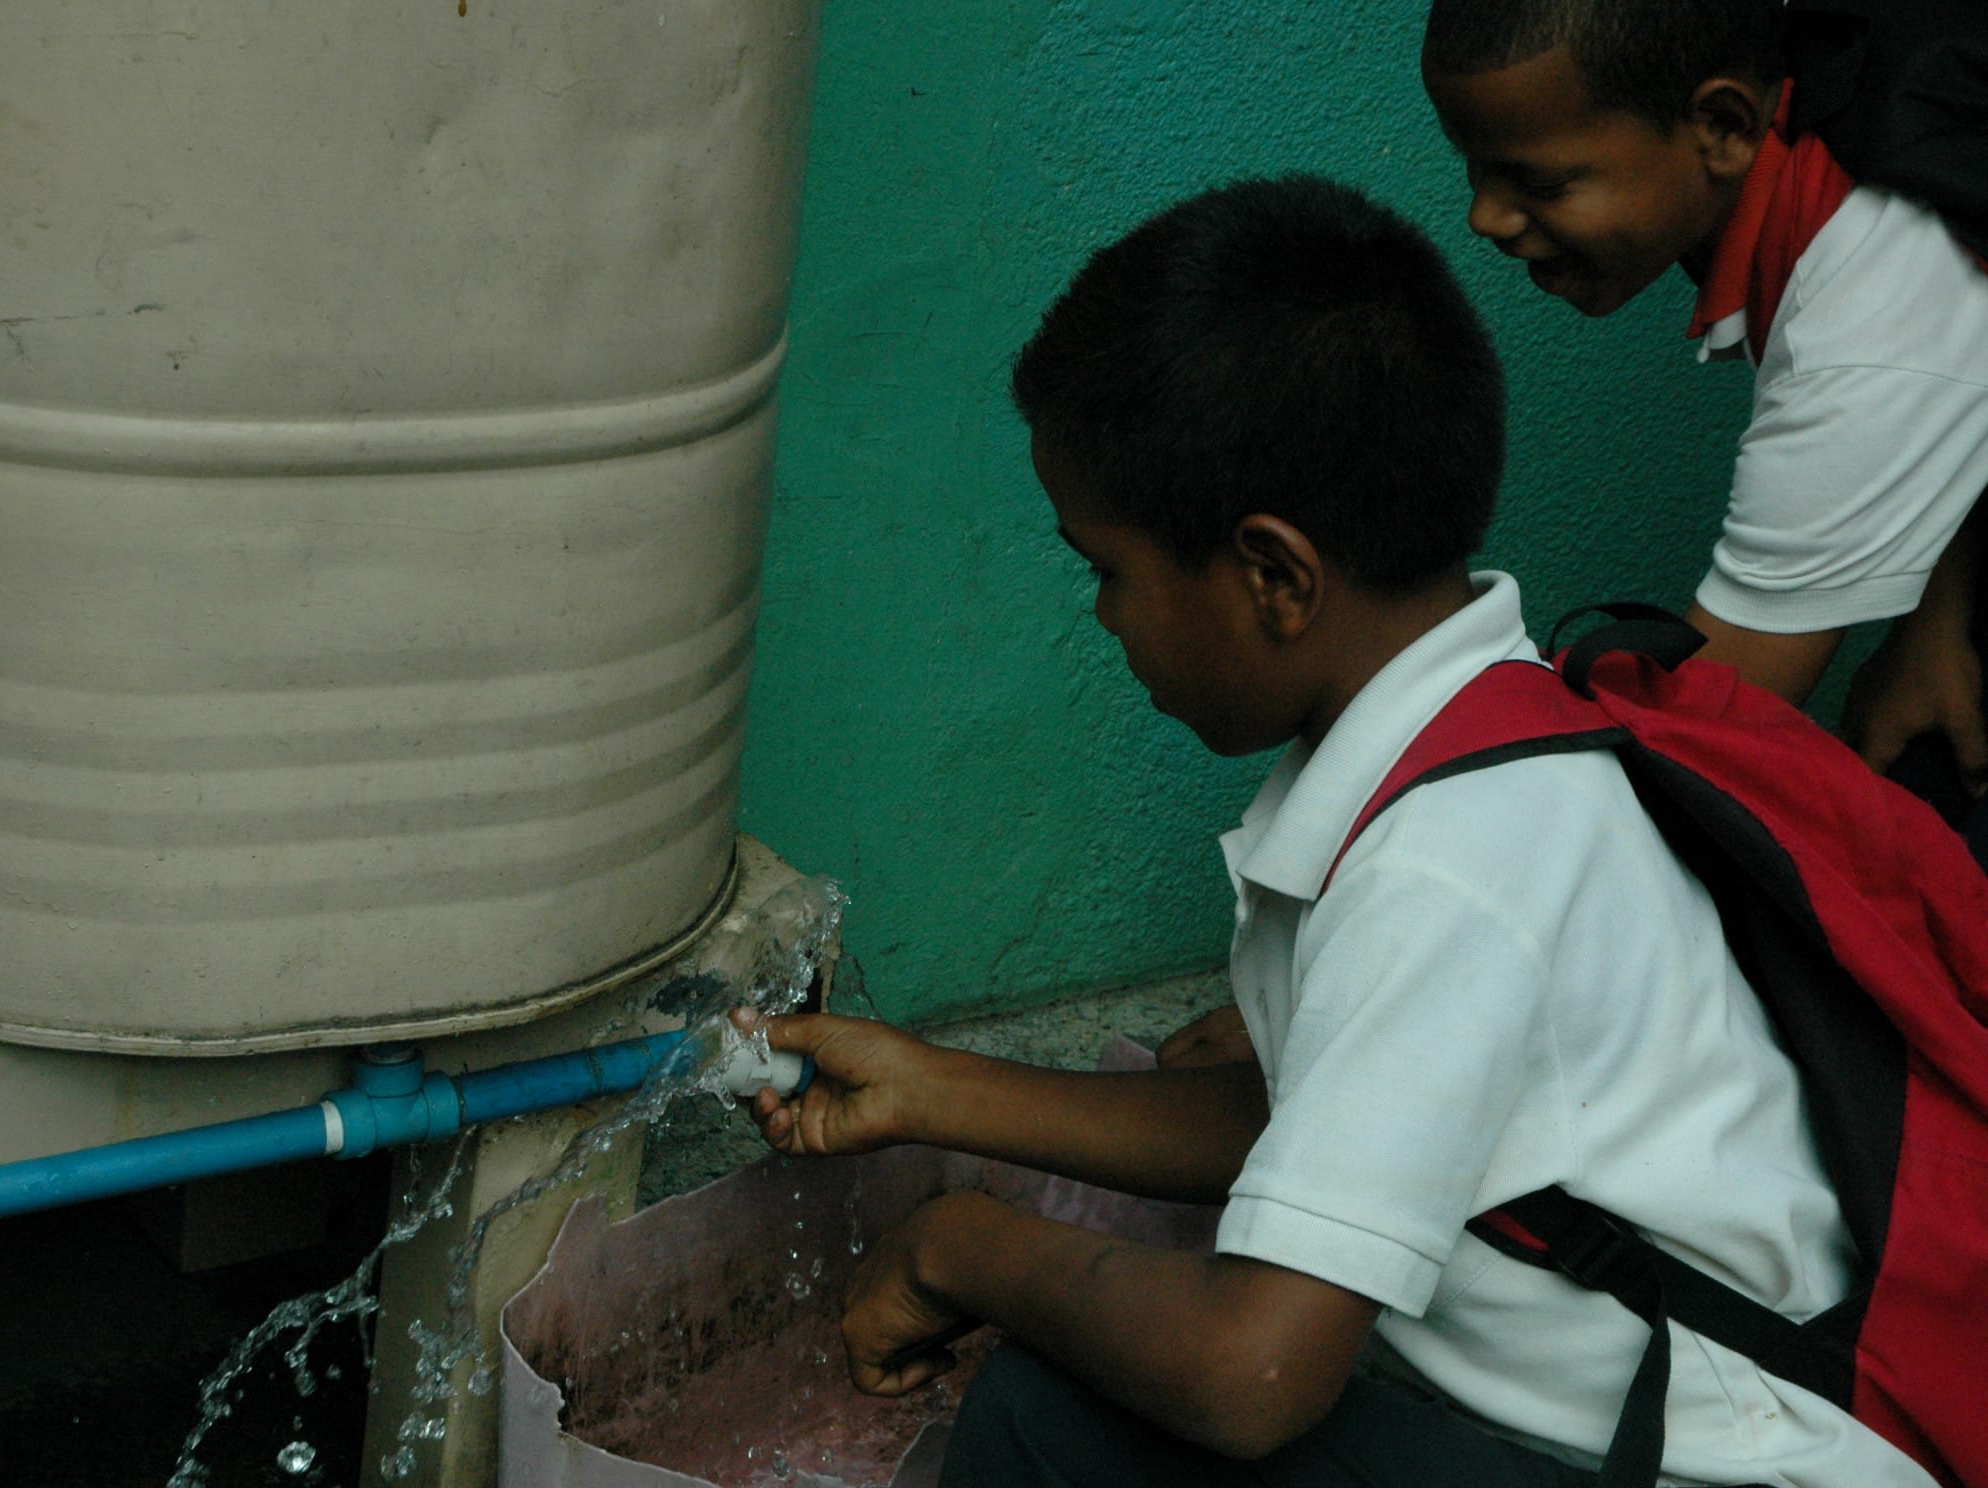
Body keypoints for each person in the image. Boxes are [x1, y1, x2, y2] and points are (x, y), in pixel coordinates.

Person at [735, 176, 1930, 1487]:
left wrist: (963, 1249)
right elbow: (1325, 1117)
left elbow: (1250, 1375)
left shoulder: (1449, 864)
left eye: (1108, 570)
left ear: (1275, 577)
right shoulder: (1487, 738)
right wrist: (936, 1092)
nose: (1105, 616)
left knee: (1047, 1422)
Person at [1419, 0, 1988, 798]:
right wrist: (1937, 616)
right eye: (1473, 165)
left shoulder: (1860, 333)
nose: (1485, 216)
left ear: (1723, 126)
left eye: (1539, 180)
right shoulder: (1823, 72)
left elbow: (1701, 727)